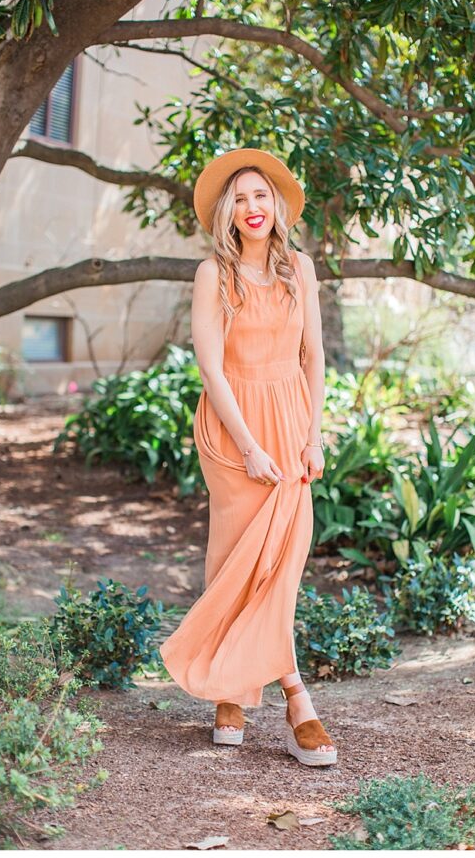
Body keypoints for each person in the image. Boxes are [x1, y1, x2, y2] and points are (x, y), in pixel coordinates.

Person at [159, 147, 336, 767]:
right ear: (227, 212)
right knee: (236, 556)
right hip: (234, 428)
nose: (253, 207)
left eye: (262, 195)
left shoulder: (300, 270)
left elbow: (314, 358)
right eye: (241, 198)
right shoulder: (215, 274)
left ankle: (237, 689)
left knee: (282, 563)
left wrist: (312, 435)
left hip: (290, 422)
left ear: (277, 205)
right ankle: (290, 697)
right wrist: (250, 446)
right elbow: (211, 367)